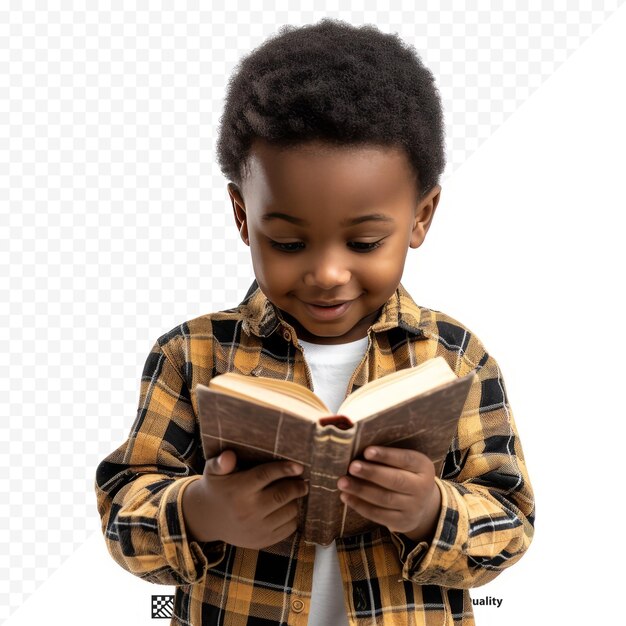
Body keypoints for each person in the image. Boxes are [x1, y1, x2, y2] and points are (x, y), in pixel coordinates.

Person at [95, 18, 534, 625]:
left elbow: (511, 523)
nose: (328, 273)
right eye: (289, 243)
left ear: (421, 216)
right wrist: (201, 510)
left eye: (364, 241)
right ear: (243, 216)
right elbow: (123, 517)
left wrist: (431, 509)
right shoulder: (191, 354)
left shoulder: (454, 357)